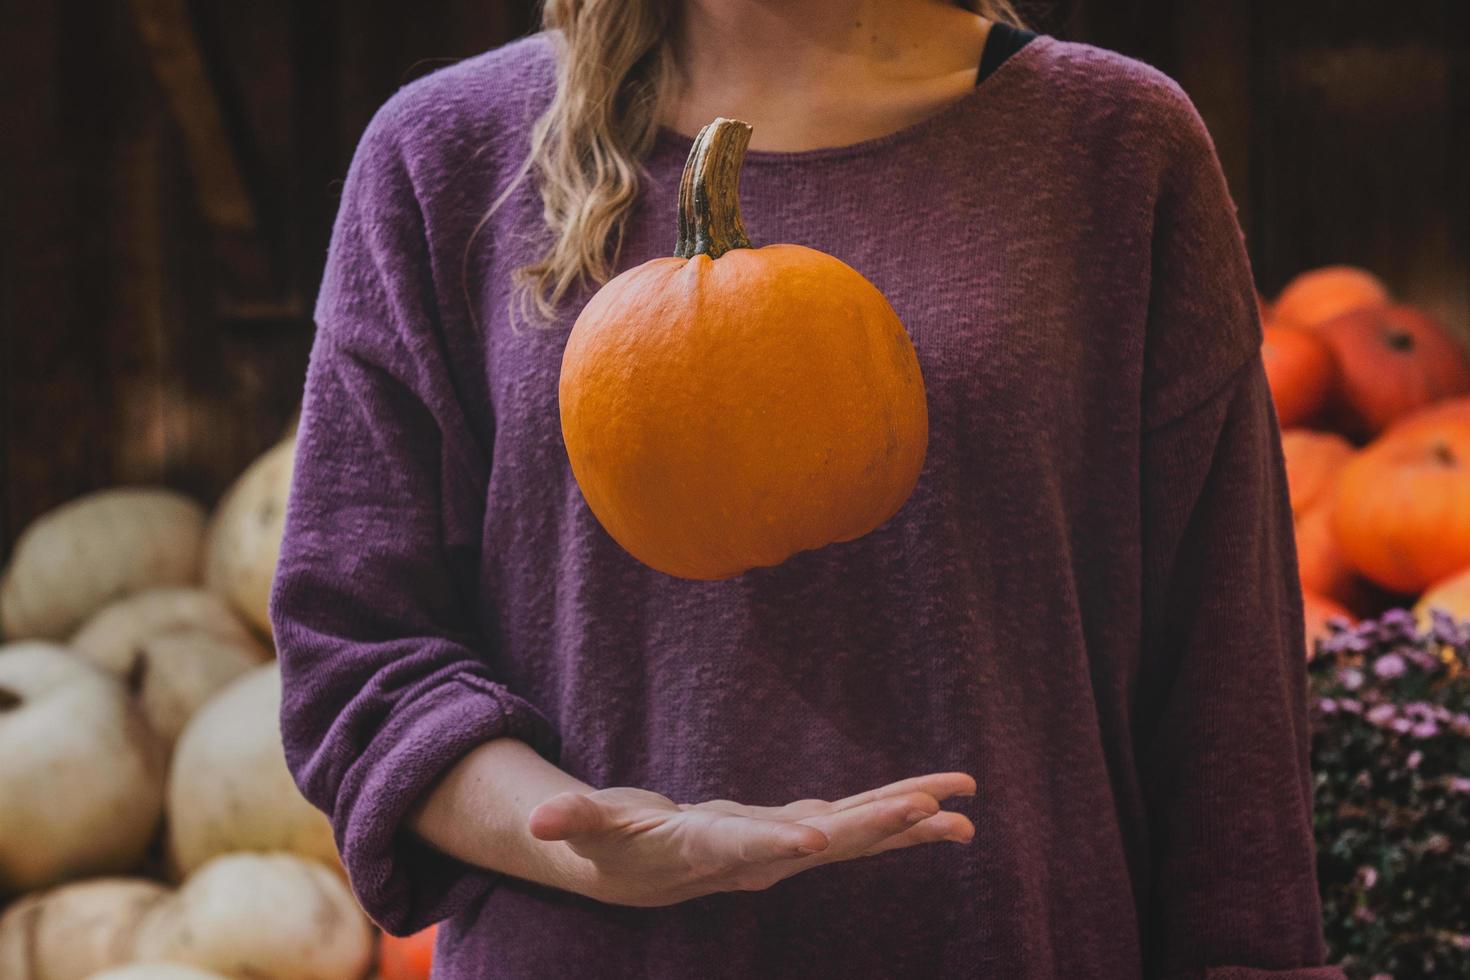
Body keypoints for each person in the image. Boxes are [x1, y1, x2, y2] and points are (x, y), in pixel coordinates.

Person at [269, 1, 1346, 977]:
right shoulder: (444, 154)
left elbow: (1226, 671)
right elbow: (354, 646)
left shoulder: (1114, 142)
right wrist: (589, 839)